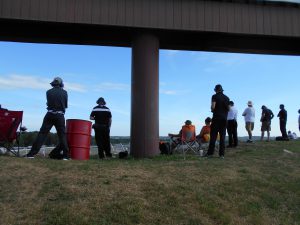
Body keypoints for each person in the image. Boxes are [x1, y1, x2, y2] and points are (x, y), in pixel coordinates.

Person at [25, 77, 69, 160]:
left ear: (53, 83)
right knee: (62, 135)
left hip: (49, 114)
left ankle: (31, 154)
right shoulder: (65, 92)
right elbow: (65, 105)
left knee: (42, 134)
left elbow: (48, 103)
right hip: (60, 115)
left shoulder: (48, 92)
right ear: (61, 83)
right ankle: (66, 156)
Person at [205, 84, 230, 158]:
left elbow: (213, 106)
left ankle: (210, 154)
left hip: (216, 118)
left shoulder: (214, 96)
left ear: (216, 90)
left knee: (213, 136)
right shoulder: (227, 98)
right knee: (222, 137)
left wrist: (212, 110)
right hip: (224, 119)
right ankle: (221, 155)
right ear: (222, 90)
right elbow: (229, 109)